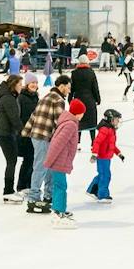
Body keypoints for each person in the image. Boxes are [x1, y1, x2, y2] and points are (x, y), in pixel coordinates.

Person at [22, 74, 69, 213]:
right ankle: (34, 198)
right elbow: (60, 122)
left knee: (49, 166)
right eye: (68, 87)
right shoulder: (59, 100)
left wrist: (26, 131)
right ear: (62, 86)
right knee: (41, 167)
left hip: (37, 135)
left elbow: (34, 115)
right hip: (44, 136)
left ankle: (48, 195)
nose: (69, 90)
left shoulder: (46, 96)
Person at [45, 96, 83, 228]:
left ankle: (59, 210)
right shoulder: (70, 125)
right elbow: (57, 143)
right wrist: (49, 161)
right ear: (78, 113)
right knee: (61, 186)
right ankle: (57, 212)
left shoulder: (68, 122)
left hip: (59, 161)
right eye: (82, 113)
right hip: (59, 161)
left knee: (60, 186)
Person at [0, 76, 23, 201]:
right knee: (11, 161)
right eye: (20, 84)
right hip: (4, 134)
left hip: (5, 133)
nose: (22, 86)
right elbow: (14, 119)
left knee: (12, 160)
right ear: (14, 85)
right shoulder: (8, 98)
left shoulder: (9, 96)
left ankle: (9, 190)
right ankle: (8, 191)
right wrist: (23, 131)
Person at [86, 109, 125, 202]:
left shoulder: (111, 130)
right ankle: (103, 195)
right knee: (105, 175)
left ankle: (92, 190)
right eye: (116, 119)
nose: (118, 121)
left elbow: (111, 145)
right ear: (110, 119)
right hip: (102, 157)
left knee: (102, 175)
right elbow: (97, 142)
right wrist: (94, 154)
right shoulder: (105, 129)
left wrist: (119, 153)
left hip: (107, 157)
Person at [70, 56, 101, 143]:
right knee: (92, 121)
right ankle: (93, 141)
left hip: (78, 100)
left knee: (78, 121)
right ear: (87, 62)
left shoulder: (74, 73)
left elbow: (72, 88)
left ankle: (78, 142)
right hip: (90, 100)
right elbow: (95, 87)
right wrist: (98, 99)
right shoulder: (91, 72)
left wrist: (70, 99)